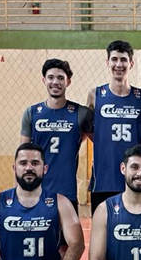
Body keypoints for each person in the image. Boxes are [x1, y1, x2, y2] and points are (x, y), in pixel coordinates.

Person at [85, 40, 141, 260]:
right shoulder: (95, 95)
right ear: (108, 62)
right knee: (104, 251)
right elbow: (88, 130)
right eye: (114, 59)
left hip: (135, 185)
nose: (119, 64)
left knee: (136, 243)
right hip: (104, 182)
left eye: (124, 59)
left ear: (131, 63)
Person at [20, 58, 93, 227]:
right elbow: (21, 156)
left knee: (67, 246)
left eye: (60, 78)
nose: (55, 82)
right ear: (44, 80)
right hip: (37, 191)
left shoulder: (80, 113)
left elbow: (103, 144)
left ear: (68, 81)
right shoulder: (31, 113)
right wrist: (20, 192)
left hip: (67, 192)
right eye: (51, 77)